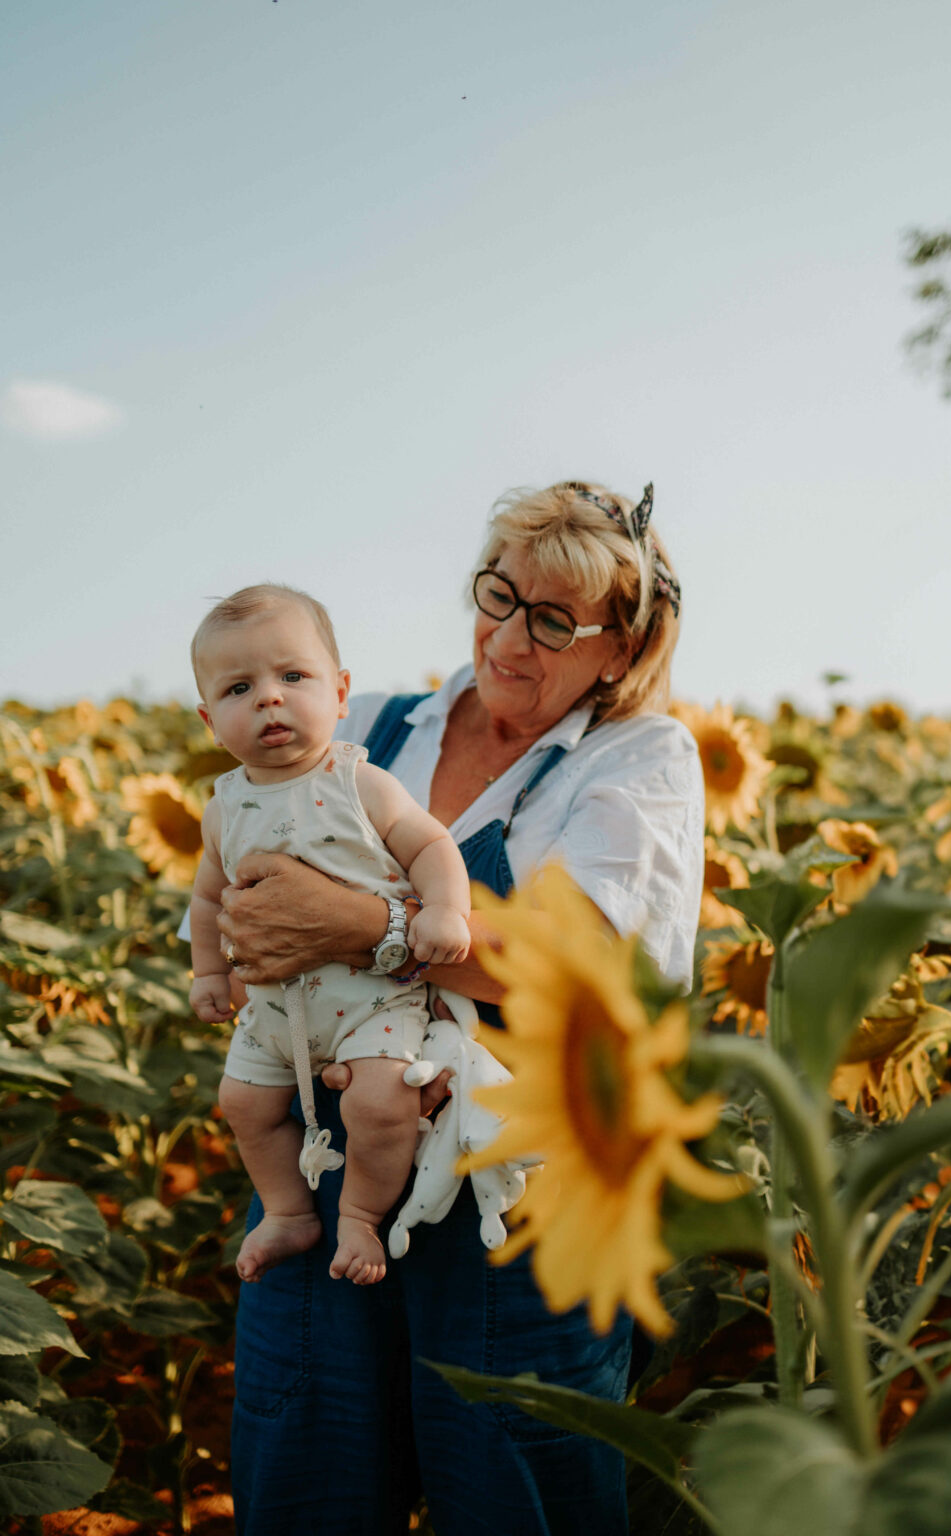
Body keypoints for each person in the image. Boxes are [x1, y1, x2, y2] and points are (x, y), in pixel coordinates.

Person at [213, 481, 705, 1536]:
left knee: (517, 1495)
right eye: (498, 593)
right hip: (326, 1157)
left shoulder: (637, 761)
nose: (508, 639)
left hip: (520, 1201)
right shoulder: (370, 730)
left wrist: (363, 928)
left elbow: (592, 976)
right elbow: (246, 890)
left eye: (553, 622)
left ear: (619, 649)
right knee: (306, 1478)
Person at [188, 584, 471, 1286]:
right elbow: (206, 897)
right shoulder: (224, 807)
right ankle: (288, 1210)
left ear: (341, 692)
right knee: (242, 1103)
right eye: (238, 688)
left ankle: (360, 1217)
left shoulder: (357, 782)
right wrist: (207, 972)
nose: (269, 699)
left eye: (293, 677)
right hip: (275, 1009)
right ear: (208, 719)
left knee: (379, 1102)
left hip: (370, 996)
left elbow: (431, 845)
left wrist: (442, 910)